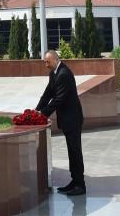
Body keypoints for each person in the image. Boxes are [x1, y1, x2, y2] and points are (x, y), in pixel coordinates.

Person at [36, 49, 85, 196]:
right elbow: (48, 94)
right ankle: (74, 181)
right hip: (67, 119)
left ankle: (80, 185)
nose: (46, 64)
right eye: (45, 62)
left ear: (55, 60)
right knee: (72, 151)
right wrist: (36, 111)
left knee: (75, 152)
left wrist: (42, 114)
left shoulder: (64, 74)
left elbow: (58, 99)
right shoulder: (54, 73)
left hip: (73, 119)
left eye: (47, 62)